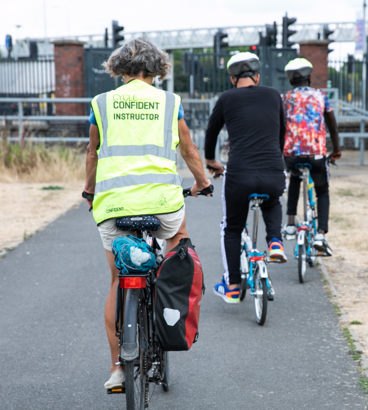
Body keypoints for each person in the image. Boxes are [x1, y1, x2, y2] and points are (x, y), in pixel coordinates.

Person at [83, 37, 211, 390]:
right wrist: (201, 182)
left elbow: (92, 153)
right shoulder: (170, 102)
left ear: (119, 68)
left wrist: (90, 191)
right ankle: (170, 304)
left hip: (113, 206)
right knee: (177, 244)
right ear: (157, 69)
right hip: (164, 204)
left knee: (116, 281)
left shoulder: (102, 103)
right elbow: (188, 148)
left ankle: (117, 369)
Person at [204, 53, 288, 304]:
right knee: (273, 201)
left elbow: (211, 131)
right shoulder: (274, 95)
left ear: (232, 78)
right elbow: (282, 131)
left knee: (230, 228)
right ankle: (275, 242)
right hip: (273, 169)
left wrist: (211, 161)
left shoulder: (226, 98)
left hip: (239, 174)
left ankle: (231, 285)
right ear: (258, 76)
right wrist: (275, 158)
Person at [280, 58, 341, 256]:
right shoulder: (321, 96)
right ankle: (321, 234)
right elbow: (332, 125)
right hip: (316, 154)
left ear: (290, 80)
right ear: (309, 77)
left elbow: (279, 127)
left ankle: (290, 224)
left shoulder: (284, 98)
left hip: (291, 155)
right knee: (322, 190)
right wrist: (336, 149)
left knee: (295, 178)